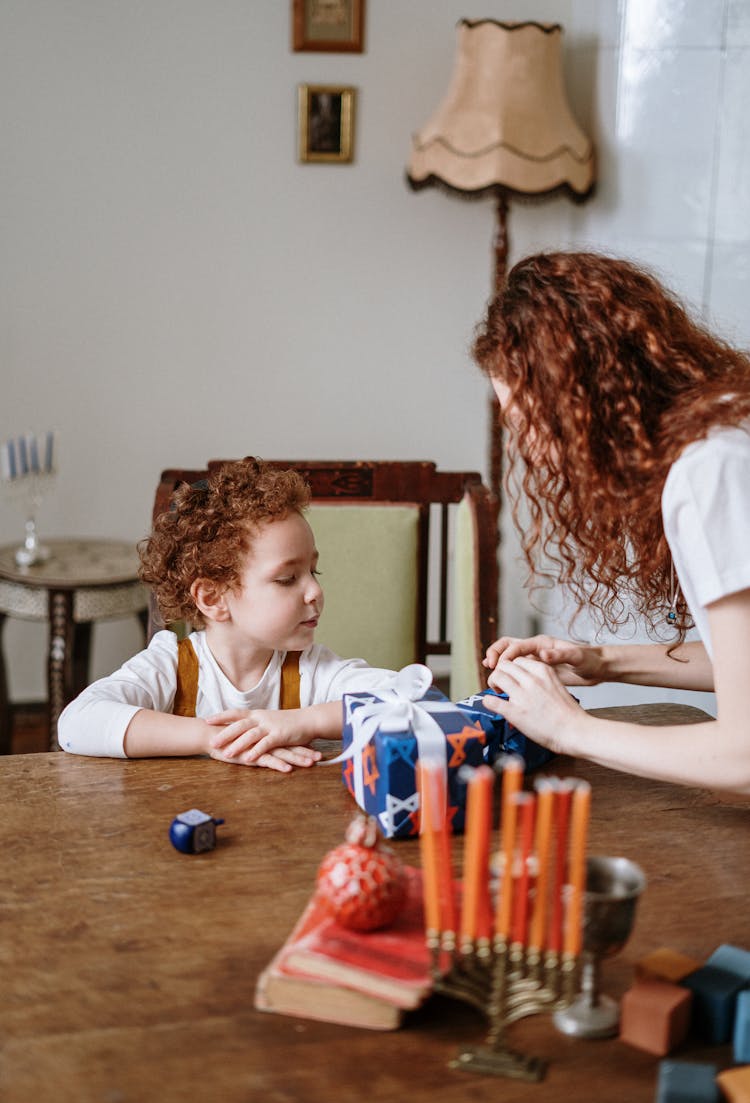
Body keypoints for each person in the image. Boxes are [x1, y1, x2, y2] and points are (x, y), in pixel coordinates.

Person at [472, 250, 750, 795]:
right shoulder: (723, 427)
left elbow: (743, 755)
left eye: (522, 418)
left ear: (579, 397)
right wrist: (601, 662)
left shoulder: (710, 471)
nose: (524, 445)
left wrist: (571, 729)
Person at [58, 458, 396, 771]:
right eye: (287, 579)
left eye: (314, 572)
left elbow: (414, 698)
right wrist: (214, 738)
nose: (315, 592)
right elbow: (76, 724)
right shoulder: (170, 667)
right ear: (213, 598)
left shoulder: (313, 671)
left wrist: (303, 722)